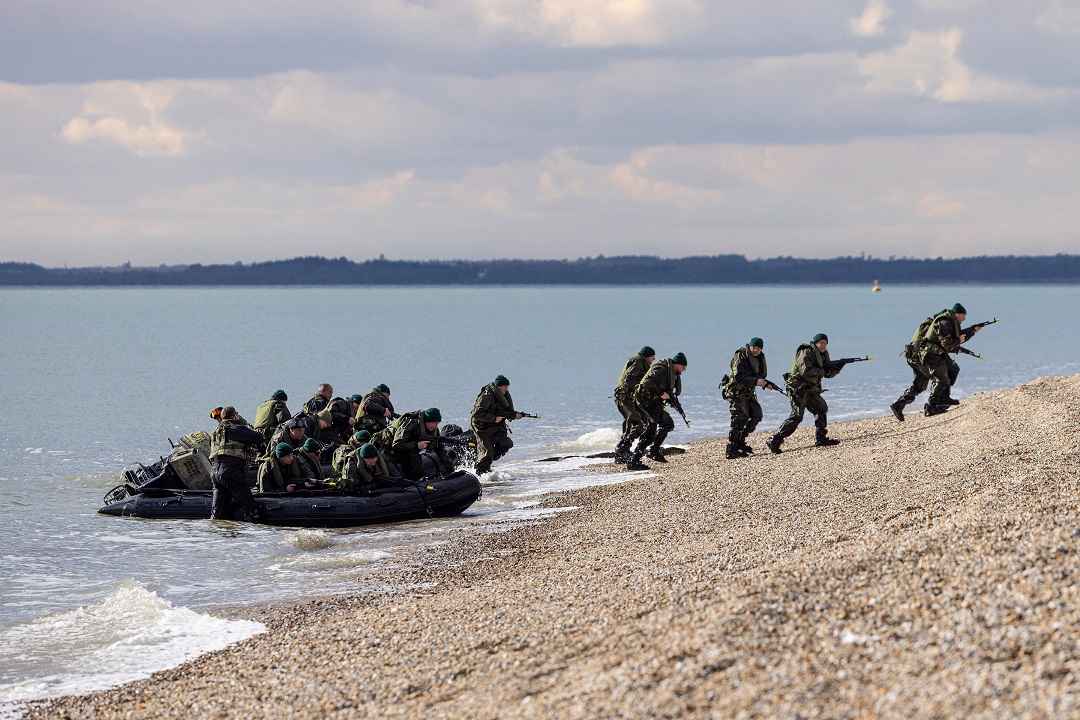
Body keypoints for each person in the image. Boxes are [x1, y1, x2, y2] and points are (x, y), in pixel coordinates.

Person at [890, 303, 977, 420]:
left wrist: (969, 335)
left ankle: (899, 405)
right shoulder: (943, 323)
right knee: (941, 378)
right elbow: (944, 343)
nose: (964, 318)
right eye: (963, 315)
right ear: (956, 314)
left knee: (922, 384)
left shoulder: (941, 323)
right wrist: (957, 341)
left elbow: (942, 344)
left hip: (919, 356)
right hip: (922, 357)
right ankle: (932, 406)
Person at [767, 334, 842, 453]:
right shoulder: (806, 352)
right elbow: (805, 371)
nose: (823, 345)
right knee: (797, 416)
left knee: (821, 409)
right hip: (798, 389)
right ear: (815, 343)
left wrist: (837, 369)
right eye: (821, 343)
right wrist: (824, 371)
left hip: (811, 389)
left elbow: (827, 374)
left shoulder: (823, 355)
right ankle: (775, 439)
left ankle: (821, 438)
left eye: (825, 343)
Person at [627, 352, 688, 470]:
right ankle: (653, 451)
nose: (684, 369)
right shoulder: (661, 369)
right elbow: (647, 382)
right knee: (667, 423)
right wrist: (661, 393)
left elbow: (666, 392)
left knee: (651, 431)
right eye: (683, 366)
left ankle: (634, 460)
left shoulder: (672, 372)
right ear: (677, 364)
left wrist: (672, 403)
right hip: (645, 401)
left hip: (651, 402)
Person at [208, 406, 265, 521]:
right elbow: (259, 437)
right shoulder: (235, 429)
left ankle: (218, 536)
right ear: (234, 416)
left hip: (215, 474)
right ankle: (252, 535)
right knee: (250, 509)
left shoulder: (215, 432)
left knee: (217, 514)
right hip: (230, 472)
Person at [722, 337, 771, 459]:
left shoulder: (758, 359)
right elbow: (738, 376)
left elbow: (758, 376)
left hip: (748, 393)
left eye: (758, 348)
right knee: (739, 418)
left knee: (757, 415)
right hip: (735, 392)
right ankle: (732, 448)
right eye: (753, 347)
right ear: (749, 346)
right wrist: (757, 381)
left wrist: (766, 383)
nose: (755, 350)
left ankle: (741, 440)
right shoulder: (741, 356)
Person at [470, 375, 522, 476]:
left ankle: (487, 463)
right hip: (482, 428)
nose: (507, 389)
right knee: (487, 453)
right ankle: (479, 474)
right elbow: (476, 414)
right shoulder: (487, 396)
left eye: (507, 386)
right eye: (505, 386)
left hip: (497, 426)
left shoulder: (504, 396)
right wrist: (494, 418)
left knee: (506, 443)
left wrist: (515, 415)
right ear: (499, 387)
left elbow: (507, 412)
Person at [382, 408, 452, 480]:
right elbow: (397, 445)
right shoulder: (410, 424)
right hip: (389, 449)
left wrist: (450, 469)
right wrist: (417, 445)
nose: (436, 426)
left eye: (437, 423)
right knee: (392, 475)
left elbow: (440, 449)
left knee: (418, 472)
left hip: (409, 451)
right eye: (434, 423)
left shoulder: (433, 430)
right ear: (427, 421)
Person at [613, 346, 655, 464]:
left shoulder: (640, 362)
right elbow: (629, 380)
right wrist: (642, 387)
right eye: (652, 357)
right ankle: (622, 449)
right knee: (639, 423)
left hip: (626, 397)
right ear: (647, 357)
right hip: (625, 397)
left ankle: (621, 454)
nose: (654, 359)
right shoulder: (638, 362)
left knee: (630, 423)